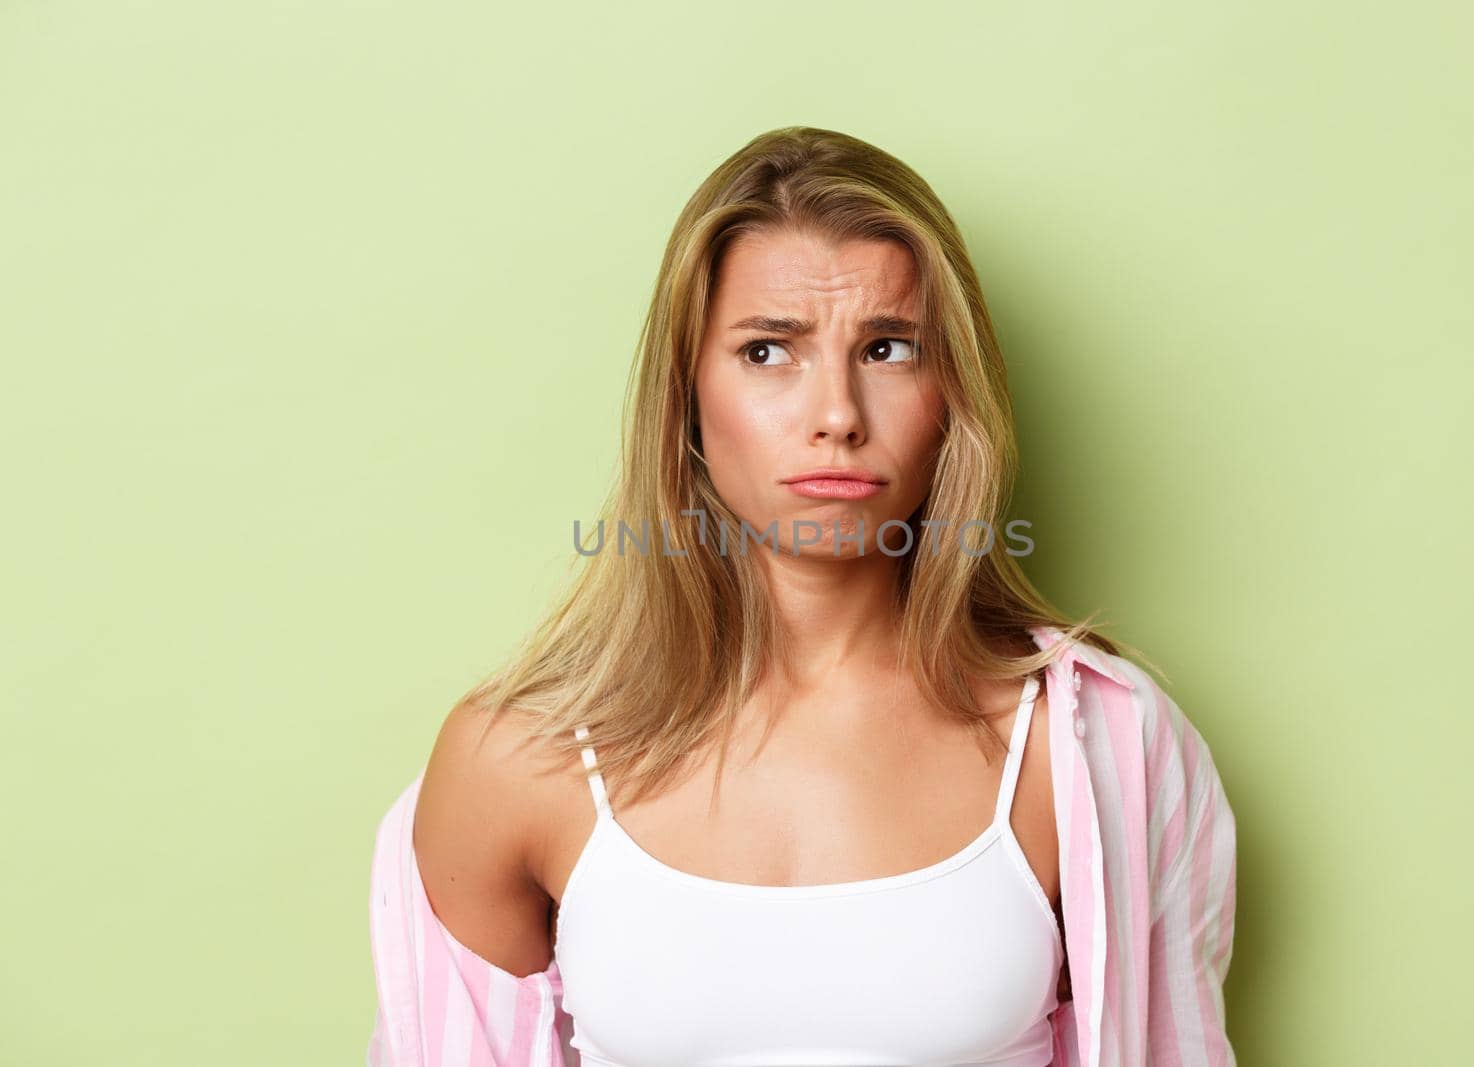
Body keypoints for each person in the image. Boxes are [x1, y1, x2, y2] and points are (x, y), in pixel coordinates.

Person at [366, 126, 1237, 1067]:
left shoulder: (1098, 747)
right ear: (686, 395)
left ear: (956, 394)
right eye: (768, 351)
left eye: (890, 348)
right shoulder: (514, 759)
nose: (836, 415)